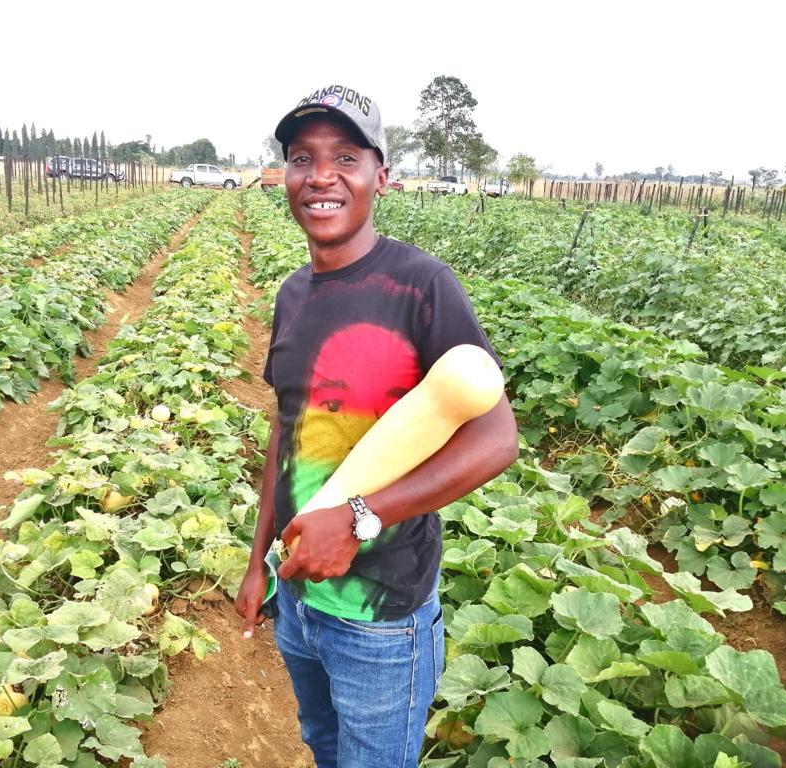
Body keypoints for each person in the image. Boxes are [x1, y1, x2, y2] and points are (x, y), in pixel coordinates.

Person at [235, 84, 519, 768]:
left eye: (345, 157)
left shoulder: (422, 284)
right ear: (286, 178)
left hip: (382, 617)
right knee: (325, 746)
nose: (321, 175)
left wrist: (360, 516)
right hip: (298, 595)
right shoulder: (293, 293)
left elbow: (495, 437)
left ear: (380, 176)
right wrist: (258, 562)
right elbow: (287, 429)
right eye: (302, 158)